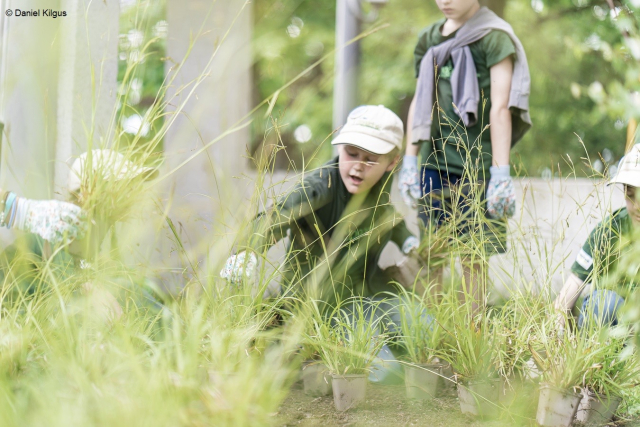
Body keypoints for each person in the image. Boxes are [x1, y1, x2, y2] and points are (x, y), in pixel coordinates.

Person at [221, 105, 422, 383]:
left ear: (392, 162)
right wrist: (248, 250)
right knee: (387, 374)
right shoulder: (321, 185)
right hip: (321, 306)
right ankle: (298, 351)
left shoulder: (380, 189)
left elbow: (391, 217)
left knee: (423, 331)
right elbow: (280, 213)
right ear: (340, 148)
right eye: (352, 153)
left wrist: (410, 241)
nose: (359, 165)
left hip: (367, 296)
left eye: (371, 158)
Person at [398, 0, 532, 314]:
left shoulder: (494, 37)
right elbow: (420, 98)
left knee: (473, 257)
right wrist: (409, 159)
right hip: (433, 163)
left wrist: (500, 173)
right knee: (433, 253)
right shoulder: (429, 38)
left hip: (478, 167)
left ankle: (473, 333)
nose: (445, 1)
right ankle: (431, 332)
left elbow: (501, 108)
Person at [0, 149, 160, 318]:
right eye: (125, 184)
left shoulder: (97, 254)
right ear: (91, 190)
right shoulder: (50, 241)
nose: (135, 191)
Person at [554, 144, 640, 331]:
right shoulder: (611, 229)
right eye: (631, 196)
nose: (637, 206)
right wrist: (550, 339)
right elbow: (573, 284)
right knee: (603, 304)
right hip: (614, 327)